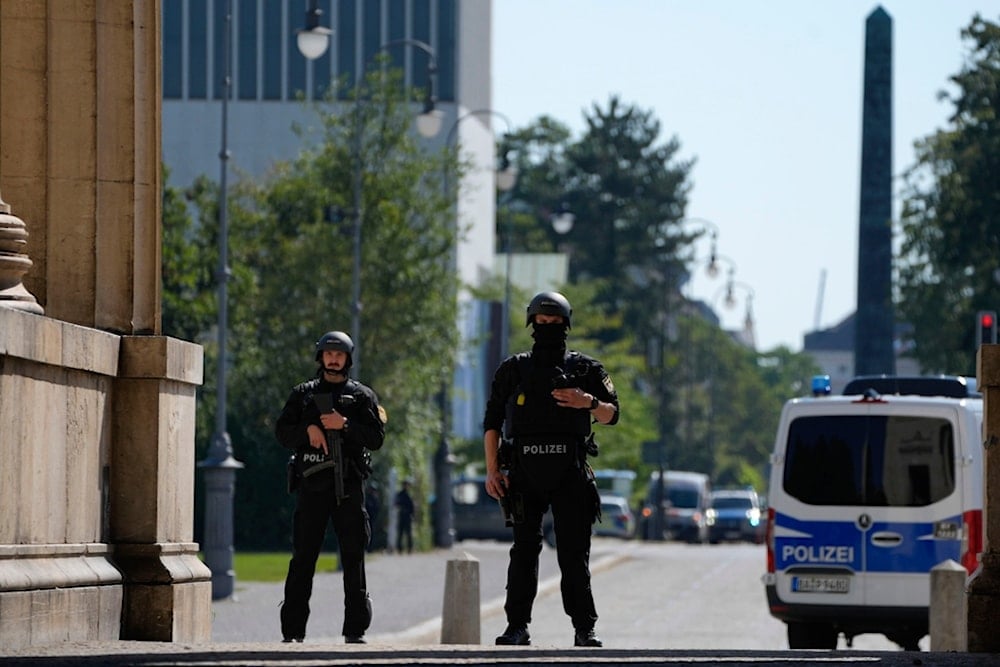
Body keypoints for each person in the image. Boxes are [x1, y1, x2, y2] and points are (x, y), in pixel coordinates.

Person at [482, 291, 620, 648]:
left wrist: (586, 401)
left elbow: (612, 415)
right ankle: (516, 627)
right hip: (524, 471)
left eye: (554, 322)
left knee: (574, 554)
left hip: (569, 471)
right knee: (524, 551)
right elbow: (491, 422)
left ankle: (584, 628)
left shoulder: (586, 369)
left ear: (566, 324)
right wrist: (492, 470)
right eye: (541, 323)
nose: (547, 328)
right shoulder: (513, 369)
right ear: (531, 323)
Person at [275, 331, 387, 644]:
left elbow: (376, 438)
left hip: (349, 488)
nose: (333, 359)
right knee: (303, 558)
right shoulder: (304, 395)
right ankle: (293, 630)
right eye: (328, 354)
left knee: (353, 558)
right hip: (312, 487)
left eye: (339, 354)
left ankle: (355, 629)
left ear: (348, 358)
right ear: (321, 357)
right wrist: (308, 429)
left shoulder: (362, 396)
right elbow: (282, 432)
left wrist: (346, 426)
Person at [393, 480, 415, 554]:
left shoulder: (409, 495)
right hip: (402, 515)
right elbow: (396, 504)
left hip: (407, 516)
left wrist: (412, 514)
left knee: (408, 533)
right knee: (400, 533)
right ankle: (399, 549)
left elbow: (412, 507)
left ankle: (409, 548)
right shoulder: (400, 494)